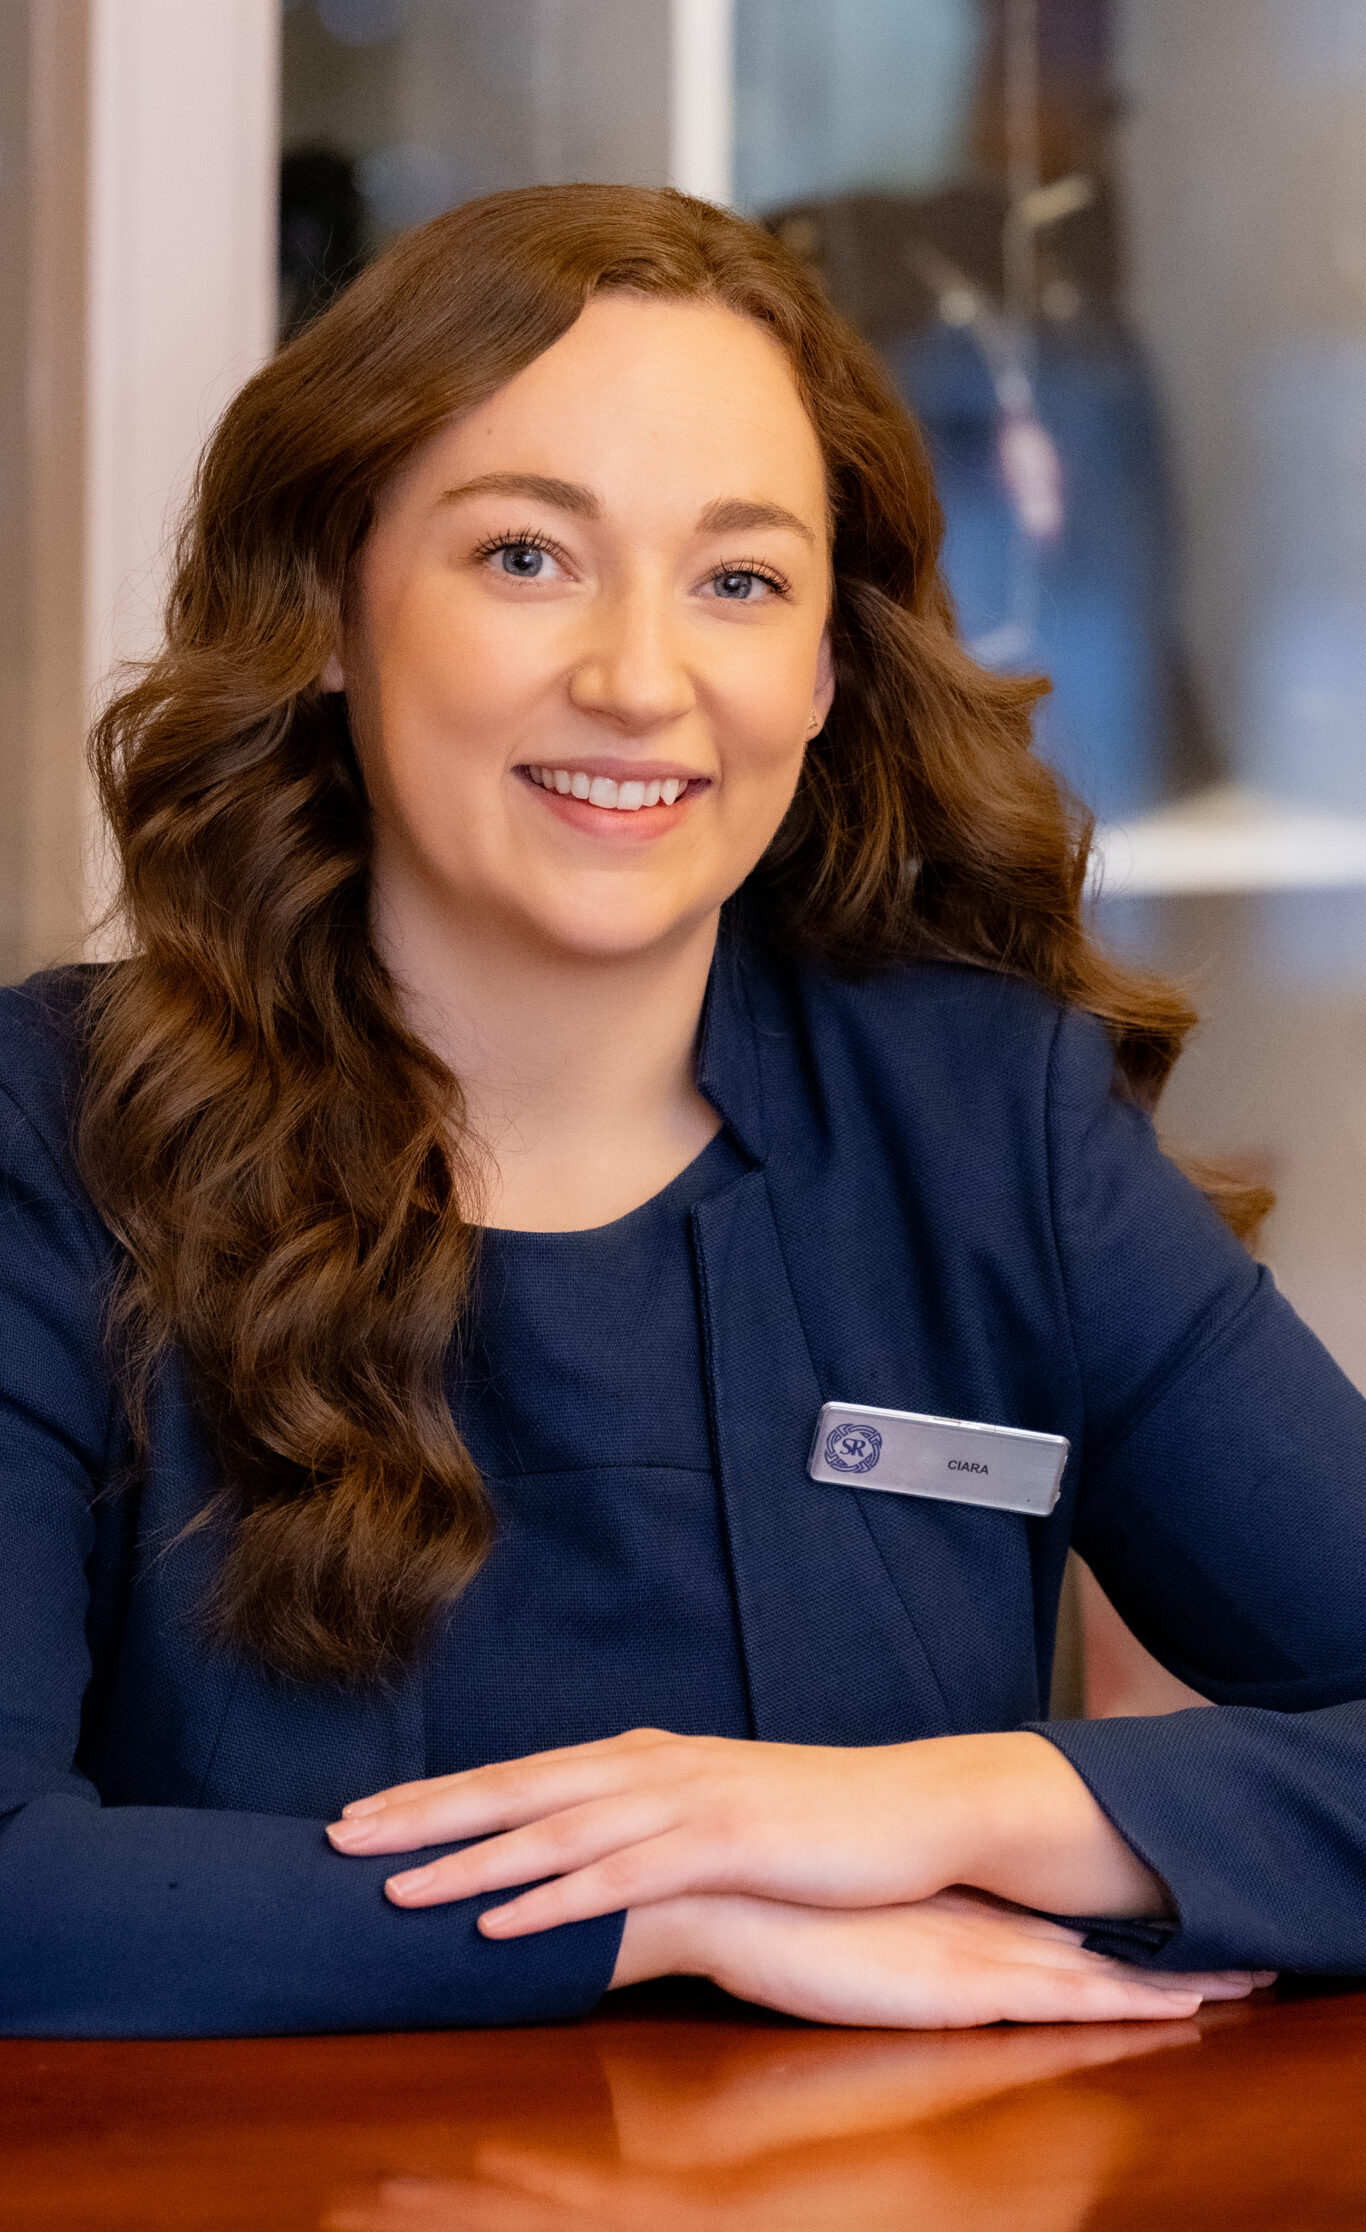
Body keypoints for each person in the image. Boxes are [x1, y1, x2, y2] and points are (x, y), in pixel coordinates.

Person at [1, 185, 1361, 2042]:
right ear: (328, 608)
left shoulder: (990, 1127)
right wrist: (663, 1913)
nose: (639, 682)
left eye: (738, 581)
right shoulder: (50, 1136)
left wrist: (920, 1805)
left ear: (818, 671)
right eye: (523, 559)